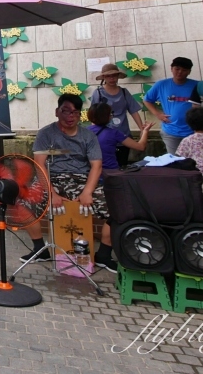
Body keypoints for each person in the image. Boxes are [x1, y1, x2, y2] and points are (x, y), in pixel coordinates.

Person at [23, 94, 118, 272]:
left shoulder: (88, 136)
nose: (70, 116)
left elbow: (96, 166)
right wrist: (51, 193)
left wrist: (88, 192)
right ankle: (39, 249)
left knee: (117, 207)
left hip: (81, 179)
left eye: (75, 112)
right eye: (65, 111)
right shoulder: (46, 133)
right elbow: (39, 165)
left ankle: (104, 254)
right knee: (24, 203)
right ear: (57, 112)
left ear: (80, 115)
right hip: (52, 177)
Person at [143, 57, 198, 155]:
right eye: (177, 69)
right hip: (170, 131)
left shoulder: (197, 85)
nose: (180, 72)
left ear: (189, 72)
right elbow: (147, 100)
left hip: (193, 131)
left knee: (193, 161)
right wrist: (158, 114)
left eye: (184, 70)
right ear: (171, 68)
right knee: (174, 161)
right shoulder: (161, 85)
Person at [86, 102, 152, 175]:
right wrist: (145, 131)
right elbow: (141, 147)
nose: (111, 116)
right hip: (110, 173)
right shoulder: (114, 133)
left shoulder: (83, 132)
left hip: (89, 173)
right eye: (111, 114)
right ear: (107, 117)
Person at [89, 64, 144, 138]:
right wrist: (94, 134)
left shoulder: (124, 92)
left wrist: (142, 130)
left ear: (118, 76)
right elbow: (94, 115)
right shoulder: (98, 93)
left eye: (114, 75)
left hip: (123, 133)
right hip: (105, 134)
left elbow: (134, 111)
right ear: (104, 77)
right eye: (108, 76)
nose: (112, 78)